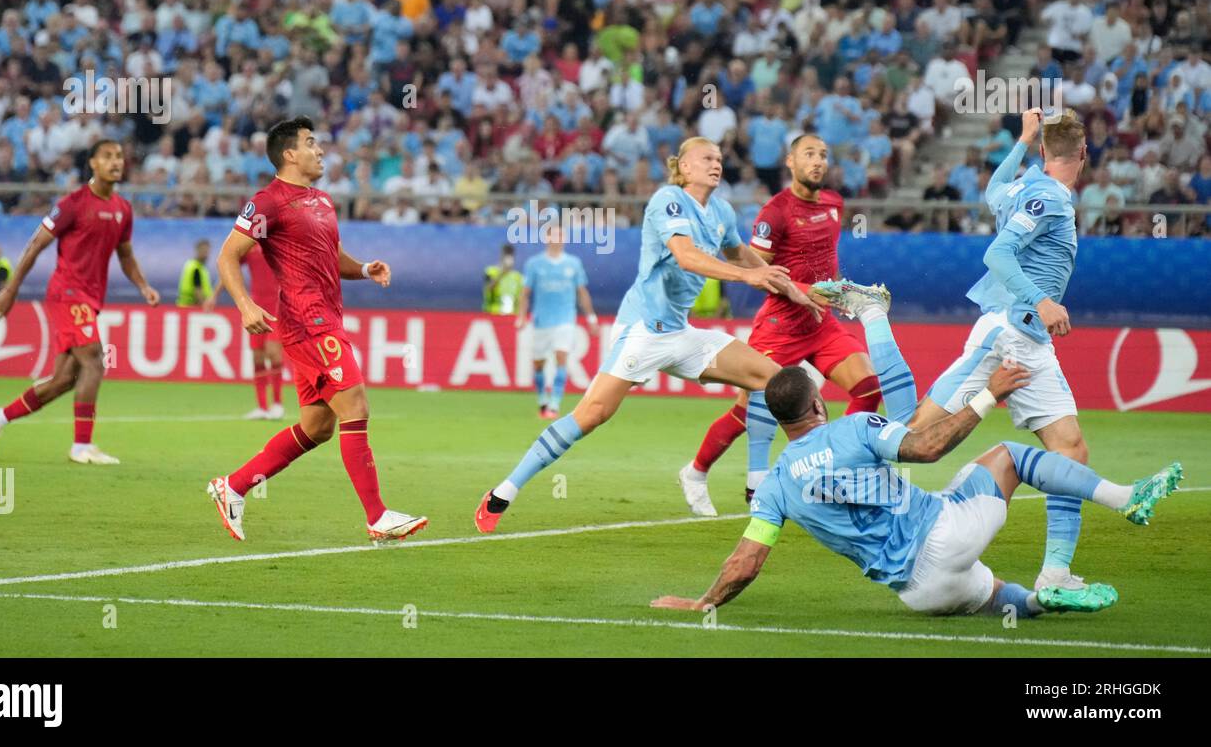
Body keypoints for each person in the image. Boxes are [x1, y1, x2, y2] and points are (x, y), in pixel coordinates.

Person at [651, 298, 1182, 618]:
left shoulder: (774, 488)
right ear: (817, 402)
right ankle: (1124, 499)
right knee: (1010, 456)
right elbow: (926, 447)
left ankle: (1043, 602)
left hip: (917, 591)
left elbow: (748, 561)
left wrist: (703, 603)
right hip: (941, 537)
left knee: (999, 597)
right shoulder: (854, 427)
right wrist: (988, 394)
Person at [473, 137, 819, 534]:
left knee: (774, 380)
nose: (716, 164)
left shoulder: (721, 210)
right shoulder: (667, 201)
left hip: (681, 333)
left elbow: (740, 254)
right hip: (644, 330)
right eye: (706, 158)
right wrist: (749, 277)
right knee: (592, 415)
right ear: (684, 167)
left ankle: (758, 487)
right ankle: (504, 490)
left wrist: (788, 285)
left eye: (720, 159)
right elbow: (687, 255)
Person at [207, 117, 426, 542]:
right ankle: (377, 516)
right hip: (308, 322)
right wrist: (245, 304)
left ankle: (233, 486)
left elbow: (333, 255)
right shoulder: (267, 201)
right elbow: (227, 256)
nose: (320, 150)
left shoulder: (322, 200)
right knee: (356, 406)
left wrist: (363, 268)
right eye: (311, 143)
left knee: (318, 426)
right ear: (289, 154)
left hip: (327, 317)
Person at [909, 108, 1095, 593]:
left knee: (1069, 449)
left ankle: (1056, 575)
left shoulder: (1020, 188)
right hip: (1014, 329)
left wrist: (1021, 138)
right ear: (1083, 153)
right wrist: (1043, 299)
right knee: (917, 436)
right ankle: (846, 485)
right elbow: (997, 254)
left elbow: (993, 192)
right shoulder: (1049, 198)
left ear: (1040, 152)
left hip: (1018, 333)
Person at [680, 134, 889, 517]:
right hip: (780, 324)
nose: (818, 161)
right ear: (790, 162)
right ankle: (696, 471)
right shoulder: (774, 212)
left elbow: (827, 260)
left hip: (821, 324)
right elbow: (757, 271)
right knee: (747, 412)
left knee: (868, 386)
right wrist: (807, 291)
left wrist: (841, 295)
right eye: (809, 154)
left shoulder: (833, 204)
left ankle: (834, 472)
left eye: (824, 155)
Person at [0, 140, 162, 464]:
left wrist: (143, 286)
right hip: (67, 292)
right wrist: (10, 290)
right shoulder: (73, 204)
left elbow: (126, 256)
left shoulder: (123, 209)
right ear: (92, 163)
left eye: (119, 156)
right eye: (107, 156)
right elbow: (36, 244)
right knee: (95, 360)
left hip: (90, 299)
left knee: (64, 380)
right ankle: (81, 446)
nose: (115, 162)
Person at [515, 223, 599, 419]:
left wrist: (591, 317)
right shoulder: (534, 264)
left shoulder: (573, 263)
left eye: (561, 235)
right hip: (541, 321)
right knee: (539, 364)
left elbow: (582, 292)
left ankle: (554, 404)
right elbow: (525, 293)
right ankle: (543, 400)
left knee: (562, 357)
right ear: (547, 238)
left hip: (565, 320)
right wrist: (521, 317)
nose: (558, 239)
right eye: (554, 235)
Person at [205, 242, 285, 420]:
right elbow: (229, 269)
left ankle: (277, 404)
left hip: (277, 305)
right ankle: (262, 407)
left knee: (273, 353)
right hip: (255, 305)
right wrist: (214, 295)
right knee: (257, 356)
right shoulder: (249, 246)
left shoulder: (277, 241)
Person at [483, 244, 524, 315]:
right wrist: (502, 272)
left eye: (510, 254)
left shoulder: (518, 277)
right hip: (493, 313)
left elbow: (522, 298)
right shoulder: (491, 271)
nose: (507, 258)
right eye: (506, 254)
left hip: (512, 315)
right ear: (501, 255)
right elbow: (488, 288)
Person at [176, 239, 214, 307]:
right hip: (191, 306)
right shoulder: (196, 268)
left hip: (185, 306)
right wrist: (204, 305)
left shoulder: (193, 265)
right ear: (198, 251)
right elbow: (197, 290)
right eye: (204, 251)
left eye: (207, 251)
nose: (206, 254)